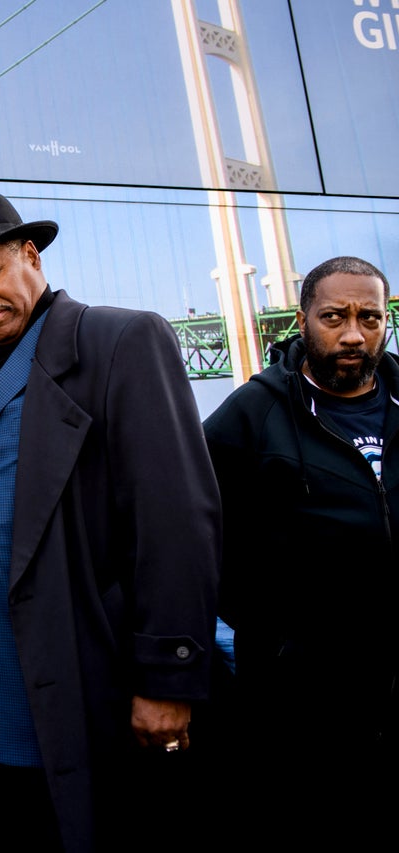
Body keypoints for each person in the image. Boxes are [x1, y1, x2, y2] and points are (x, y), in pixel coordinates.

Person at [0, 191, 221, 851]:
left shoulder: (122, 340)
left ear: (31, 255)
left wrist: (167, 676)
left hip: (89, 692)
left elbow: (175, 521)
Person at [203, 255, 399, 848]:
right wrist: (269, 628)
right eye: (334, 316)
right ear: (302, 319)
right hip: (303, 695)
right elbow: (194, 524)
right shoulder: (255, 409)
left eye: (370, 317)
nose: (352, 334)